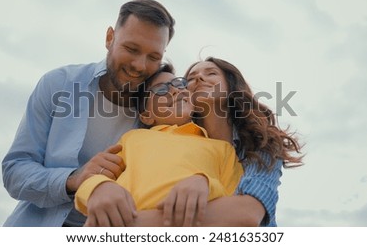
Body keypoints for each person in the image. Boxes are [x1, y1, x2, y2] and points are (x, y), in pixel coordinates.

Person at [1, 0, 176, 227]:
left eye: (154, 57)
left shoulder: (161, 113)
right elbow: (15, 171)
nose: (140, 65)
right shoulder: (59, 84)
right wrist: (75, 179)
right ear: (109, 38)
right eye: (131, 49)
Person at [120, 57, 303, 227]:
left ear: (231, 87)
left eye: (211, 73)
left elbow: (248, 212)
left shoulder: (261, 144)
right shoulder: (171, 142)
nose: (199, 77)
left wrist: (128, 225)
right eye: (190, 78)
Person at [74, 65, 243, 227]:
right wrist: (99, 187)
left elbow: (237, 203)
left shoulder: (222, 149)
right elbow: (96, 177)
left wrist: (205, 182)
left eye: (180, 84)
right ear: (146, 115)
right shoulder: (133, 138)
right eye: (162, 90)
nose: (176, 90)